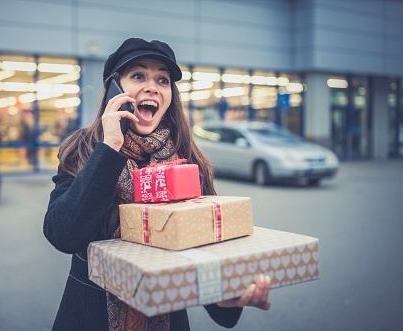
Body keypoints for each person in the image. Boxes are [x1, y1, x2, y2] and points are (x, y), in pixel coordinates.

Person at [43, 37, 271, 331]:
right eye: (138, 76)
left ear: (169, 96)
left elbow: (205, 247)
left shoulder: (187, 160)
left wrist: (227, 300)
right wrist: (110, 147)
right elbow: (62, 234)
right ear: (114, 88)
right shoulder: (83, 149)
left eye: (162, 80)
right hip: (90, 318)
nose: (152, 86)